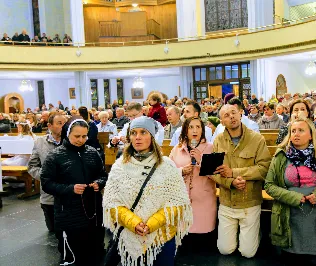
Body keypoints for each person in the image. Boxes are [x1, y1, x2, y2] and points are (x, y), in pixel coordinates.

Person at [103, 116, 192, 266]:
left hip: (161, 236)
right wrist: (134, 222)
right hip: (130, 233)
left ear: (152, 137)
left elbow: (177, 202)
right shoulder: (119, 166)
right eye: (133, 133)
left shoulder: (167, 166)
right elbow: (112, 202)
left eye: (143, 132)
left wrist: (151, 224)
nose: (137, 137)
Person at [265, 118, 316, 266]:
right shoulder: (281, 156)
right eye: (293, 131)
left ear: (311, 135)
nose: (296, 134)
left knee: (314, 259)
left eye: (301, 130)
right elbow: (269, 185)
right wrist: (293, 196)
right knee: (290, 258)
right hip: (288, 214)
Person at [41, 117, 108, 266]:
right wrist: (70, 189)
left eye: (84, 136)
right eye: (77, 136)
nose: (81, 140)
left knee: (95, 253)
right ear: (67, 134)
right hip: (68, 213)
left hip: (93, 212)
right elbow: (46, 183)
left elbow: (102, 174)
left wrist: (99, 183)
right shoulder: (55, 155)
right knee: (74, 257)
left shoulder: (92, 152)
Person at [212, 104, 271, 258]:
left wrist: (235, 173)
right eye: (226, 115)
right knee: (225, 250)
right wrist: (230, 182)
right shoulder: (218, 140)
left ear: (240, 113)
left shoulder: (256, 138)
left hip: (249, 201)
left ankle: (255, 233)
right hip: (227, 202)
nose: (231, 116)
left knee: (247, 253)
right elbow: (212, 171)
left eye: (233, 112)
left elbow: (265, 168)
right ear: (222, 121)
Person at [169, 117, 216, 253]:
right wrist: (181, 171)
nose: (195, 130)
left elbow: (217, 177)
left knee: (202, 247)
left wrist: (201, 161)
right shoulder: (177, 149)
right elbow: (167, 173)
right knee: (185, 245)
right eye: (191, 127)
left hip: (203, 200)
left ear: (203, 130)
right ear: (185, 130)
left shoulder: (211, 148)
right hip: (182, 199)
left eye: (198, 127)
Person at [28, 113, 66, 232]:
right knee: (53, 229)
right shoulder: (40, 142)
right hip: (48, 195)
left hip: (69, 193)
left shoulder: (71, 141)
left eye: (65, 123)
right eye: (60, 123)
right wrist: (45, 177)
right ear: (49, 126)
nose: (63, 126)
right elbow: (32, 166)